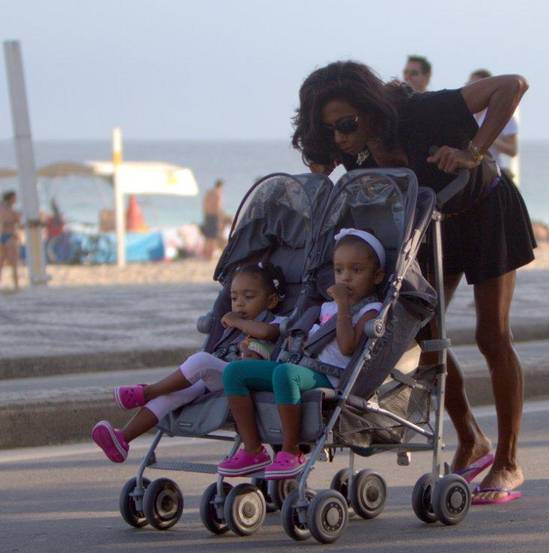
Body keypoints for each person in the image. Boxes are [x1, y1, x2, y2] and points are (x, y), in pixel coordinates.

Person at [292, 61, 534, 503]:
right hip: (431, 227)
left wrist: (474, 150)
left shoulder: (423, 111)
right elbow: (320, 175)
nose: (341, 137)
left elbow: (512, 86)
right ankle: (471, 438)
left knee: (492, 335)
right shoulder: (347, 147)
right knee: (420, 330)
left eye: (347, 124)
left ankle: (508, 461)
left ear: (369, 108)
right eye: (330, 130)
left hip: (486, 213)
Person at [218, 229, 385, 478]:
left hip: (331, 376)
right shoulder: (325, 306)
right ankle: (253, 449)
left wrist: (343, 308)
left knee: (286, 374)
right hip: (302, 365)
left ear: (378, 276)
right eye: (339, 271)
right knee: (234, 372)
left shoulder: (370, 310)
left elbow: (347, 347)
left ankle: (291, 449)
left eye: (356, 271)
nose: (346, 278)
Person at [90, 263, 287, 463]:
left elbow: (266, 333)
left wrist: (237, 323)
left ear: (270, 301)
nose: (240, 304)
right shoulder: (232, 326)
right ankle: (123, 438)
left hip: (246, 380)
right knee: (170, 395)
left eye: (249, 297)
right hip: (219, 377)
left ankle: (146, 392)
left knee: (201, 360)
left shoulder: (276, 321)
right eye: (234, 298)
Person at [468, 69, 518, 176]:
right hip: (469, 170)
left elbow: (513, 150)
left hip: (492, 171)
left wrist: (487, 135)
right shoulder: (466, 111)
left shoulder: (501, 113)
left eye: (475, 85)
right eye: (469, 84)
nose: (471, 88)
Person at [0, 190, 22, 292]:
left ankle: (15, 285)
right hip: (9, 235)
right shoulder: (9, 209)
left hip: (5, 235)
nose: (15, 200)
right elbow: (17, 222)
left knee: (4, 261)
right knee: (12, 262)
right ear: (10, 198)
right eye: (14, 198)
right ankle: (16, 285)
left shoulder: (5, 208)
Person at [202, 179, 225, 260]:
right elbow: (218, 207)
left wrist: (205, 215)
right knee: (213, 237)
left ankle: (205, 254)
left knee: (208, 236)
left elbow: (204, 204)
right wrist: (220, 220)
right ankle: (210, 256)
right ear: (221, 186)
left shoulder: (209, 193)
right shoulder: (218, 194)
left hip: (208, 215)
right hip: (214, 216)